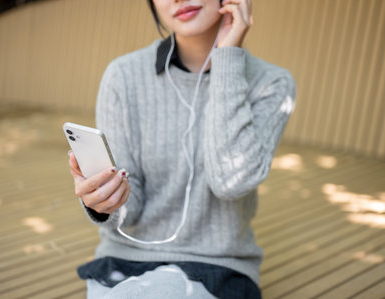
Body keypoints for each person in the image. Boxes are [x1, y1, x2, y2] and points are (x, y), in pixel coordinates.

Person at [67, 0, 296, 298]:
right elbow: (129, 211)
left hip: (218, 266)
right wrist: (104, 200)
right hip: (125, 261)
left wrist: (227, 59)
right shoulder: (123, 76)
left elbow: (230, 182)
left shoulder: (272, 83)